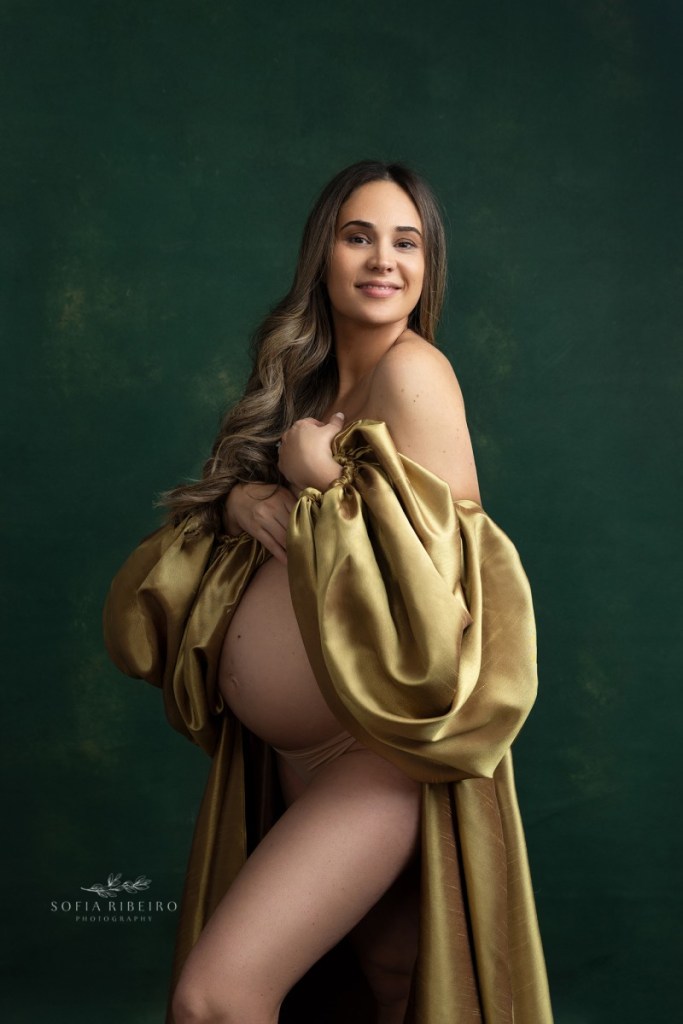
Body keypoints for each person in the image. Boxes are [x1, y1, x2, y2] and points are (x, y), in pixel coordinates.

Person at [104, 160, 553, 1024]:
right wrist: (238, 500)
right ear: (323, 255)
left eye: (406, 242)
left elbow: (446, 593)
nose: (383, 259)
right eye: (359, 236)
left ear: (428, 268)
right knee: (393, 987)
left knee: (216, 998)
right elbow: (182, 566)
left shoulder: (412, 373)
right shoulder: (304, 386)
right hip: (294, 758)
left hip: (374, 757)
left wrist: (319, 481)